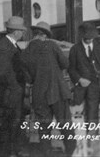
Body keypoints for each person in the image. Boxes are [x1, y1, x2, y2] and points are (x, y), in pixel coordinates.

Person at [21, 22, 76, 156]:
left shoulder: (25, 53)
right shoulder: (51, 45)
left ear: (35, 34)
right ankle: (72, 152)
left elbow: (27, 78)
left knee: (44, 128)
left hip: (39, 94)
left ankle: (46, 153)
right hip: (57, 91)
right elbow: (65, 63)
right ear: (45, 35)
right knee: (65, 125)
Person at [68, 23, 100, 124]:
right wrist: (79, 79)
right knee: (92, 113)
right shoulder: (75, 50)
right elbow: (71, 69)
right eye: (86, 38)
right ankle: (93, 136)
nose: (89, 40)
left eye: (91, 37)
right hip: (90, 85)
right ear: (81, 37)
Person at [0, 16, 27, 157]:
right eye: (22, 30)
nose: (23, 33)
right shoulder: (5, 47)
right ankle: (10, 153)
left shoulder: (10, 44)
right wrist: (15, 85)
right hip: (10, 94)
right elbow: (0, 73)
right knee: (11, 124)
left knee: (14, 123)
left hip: (13, 93)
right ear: (16, 32)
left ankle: (14, 151)